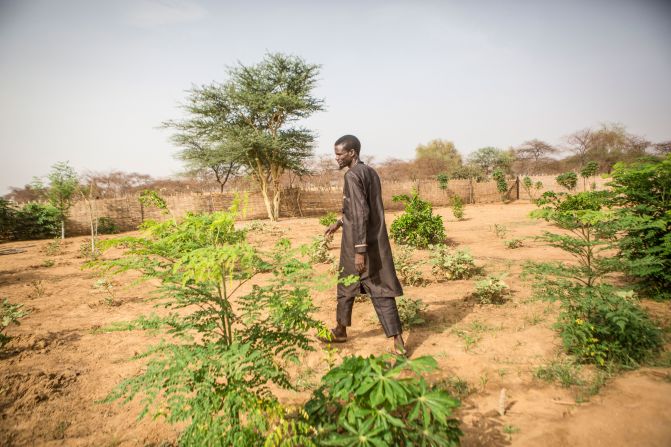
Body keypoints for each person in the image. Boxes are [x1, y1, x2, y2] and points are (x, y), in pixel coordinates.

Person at [323, 134, 406, 355]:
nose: (337, 158)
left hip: (357, 245)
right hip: (374, 242)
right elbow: (358, 209)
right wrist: (339, 222)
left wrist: (359, 251)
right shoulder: (370, 172)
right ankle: (344, 331)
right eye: (336, 154)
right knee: (375, 288)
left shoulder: (352, 176)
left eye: (340, 154)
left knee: (354, 287)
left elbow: (360, 214)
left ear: (352, 153)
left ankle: (345, 332)